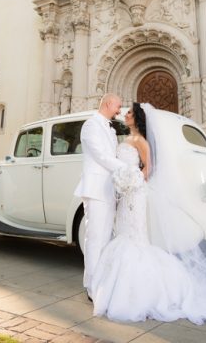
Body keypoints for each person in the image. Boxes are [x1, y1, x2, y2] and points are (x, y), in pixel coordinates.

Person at [91, 103, 206, 324]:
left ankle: (141, 290)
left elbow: (148, 168)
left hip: (135, 194)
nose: (126, 114)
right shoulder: (127, 139)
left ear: (138, 118)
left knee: (135, 237)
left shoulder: (141, 141)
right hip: (126, 196)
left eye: (131, 112)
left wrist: (131, 182)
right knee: (124, 233)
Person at [74, 93, 124, 299]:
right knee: (95, 238)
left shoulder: (110, 129)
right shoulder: (91, 125)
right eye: (118, 106)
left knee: (105, 238)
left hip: (108, 189)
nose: (119, 110)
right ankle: (91, 286)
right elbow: (101, 156)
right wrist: (126, 168)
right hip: (95, 189)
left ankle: (102, 281)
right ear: (108, 103)